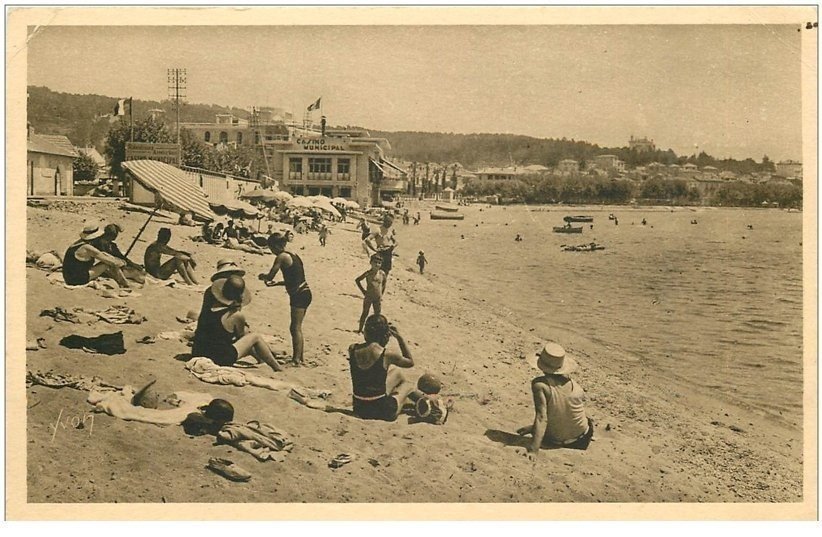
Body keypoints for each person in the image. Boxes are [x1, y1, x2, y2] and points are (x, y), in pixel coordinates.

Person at [191, 274, 282, 372]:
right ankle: (277, 367)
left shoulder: (208, 304)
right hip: (219, 357)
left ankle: (262, 359)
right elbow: (241, 337)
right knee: (255, 337)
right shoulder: (236, 316)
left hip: (198, 351)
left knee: (246, 335)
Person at [517, 342, 593, 457]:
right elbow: (563, 409)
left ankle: (538, 435)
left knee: (544, 413)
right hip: (583, 438)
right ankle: (536, 429)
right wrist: (533, 428)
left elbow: (542, 417)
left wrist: (533, 450)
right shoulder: (575, 385)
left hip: (556, 441)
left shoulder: (540, 385)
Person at [347, 314, 420, 421]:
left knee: (397, 373)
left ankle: (418, 402)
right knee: (408, 386)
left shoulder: (352, 349)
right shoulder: (387, 355)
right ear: (385, 335)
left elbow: (370, 372)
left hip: (359, 408)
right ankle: (426, 402)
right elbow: (410, 362)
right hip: (383, 411)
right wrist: (399, 338)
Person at [259, 233, 311, 366]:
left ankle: (297, 360)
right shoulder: (293, 254)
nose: (271, 251)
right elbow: (293, 279)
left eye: (271, 248)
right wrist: (277, 284)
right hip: (304, 292)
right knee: (297, 327)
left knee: (295, 328)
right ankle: (300, 357)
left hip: (299, 295)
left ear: (276, 246)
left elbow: (270, 275)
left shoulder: (281, 257)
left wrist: (263, 277)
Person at [62, 222, 130, 288]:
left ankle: (124, 283)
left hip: (68, 277)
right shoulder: (87, 248)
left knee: (106, 257)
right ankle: (125, 284)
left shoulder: (77, 244)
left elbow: (102, 255)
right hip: (77, 280)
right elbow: (113, 262)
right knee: (108, 263)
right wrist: (122, 262)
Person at [355, 254, 387, 333]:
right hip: (368, 296)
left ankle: (375, 331)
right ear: (371, 263)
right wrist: (363, 291)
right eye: (375, 262)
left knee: (377, 315)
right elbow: (357, 280)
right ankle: (360, 330)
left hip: (378, 298)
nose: (377, 264)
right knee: (365, 313)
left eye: (379, 263)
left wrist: (381, 293)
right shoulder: (368, 273)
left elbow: (384, 283)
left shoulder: (382, 274)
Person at [363, 213, 398, 283]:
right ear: (384, 221)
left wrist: (393, 246)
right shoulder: (378, 230)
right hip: (381, 252)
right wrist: (374, 249)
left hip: (388, 252)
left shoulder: (390, 231)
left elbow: (396, 241)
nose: (390, 224)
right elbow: (367, 240)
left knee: (387, 271)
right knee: (378, 271)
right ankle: (375, 288)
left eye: (391, 222)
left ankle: (381, 290)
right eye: (388, 222)